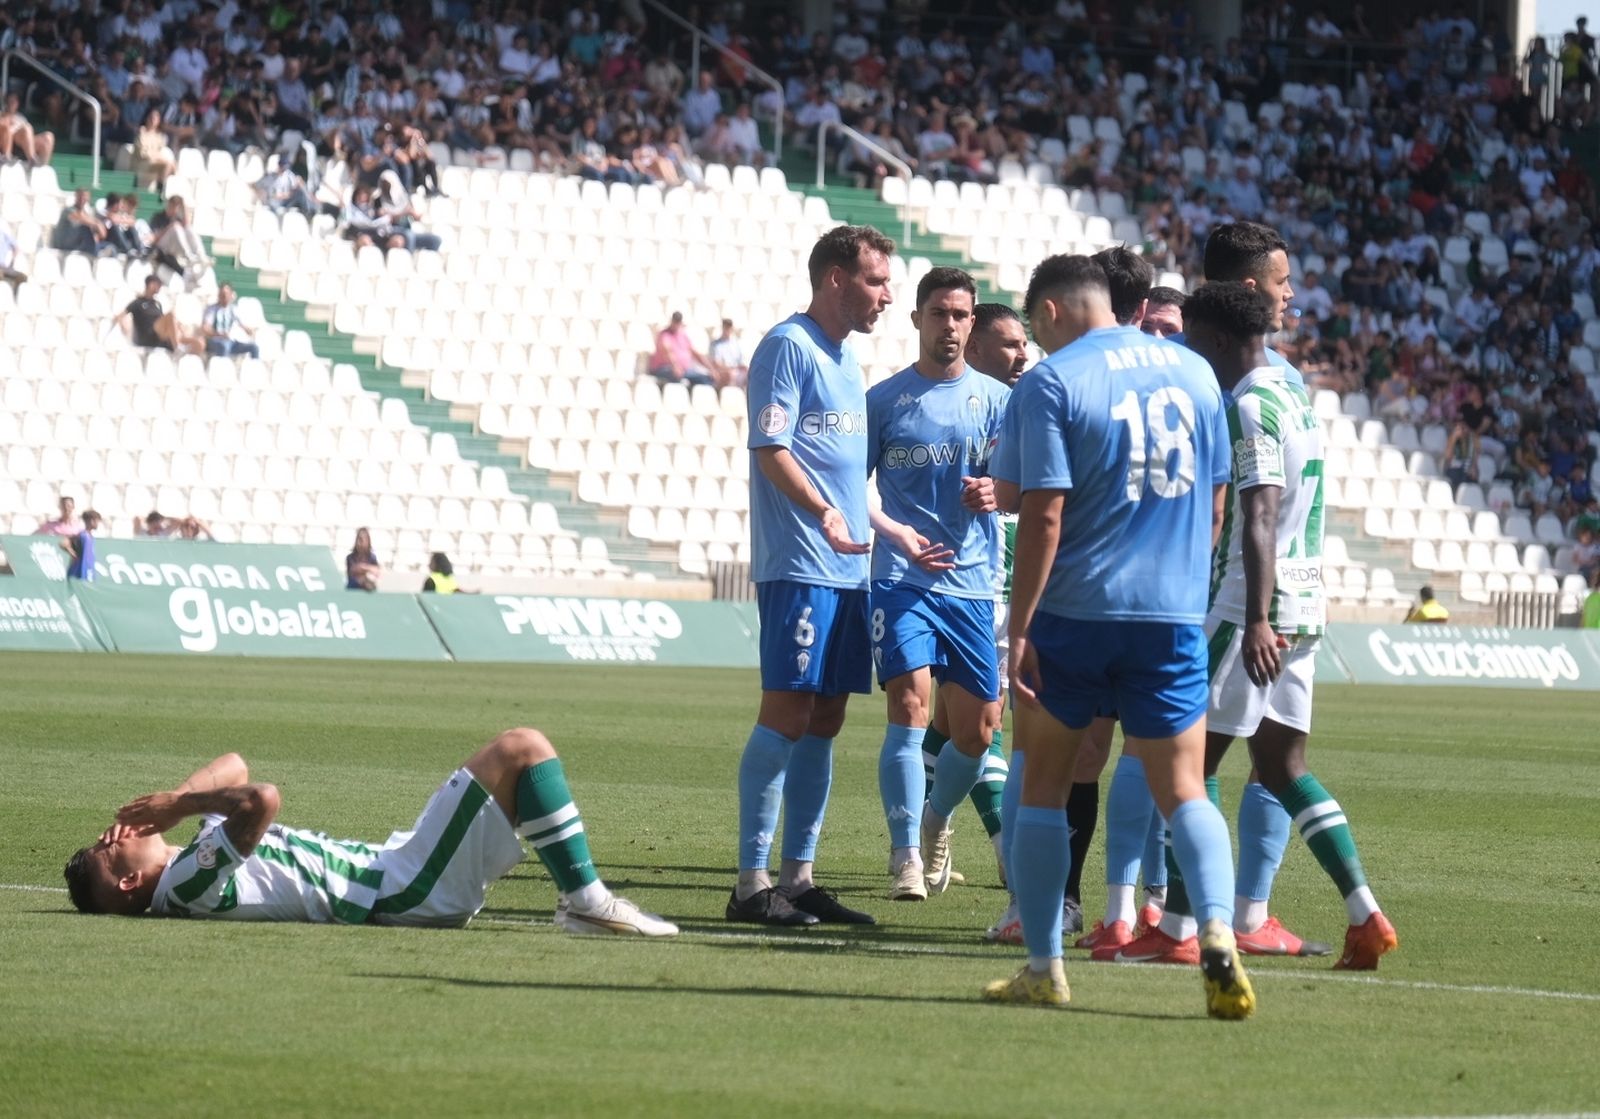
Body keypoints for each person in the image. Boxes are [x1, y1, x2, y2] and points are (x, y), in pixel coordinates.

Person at [981, 255, 1252, 1018]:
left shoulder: (1052, 380)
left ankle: (1044, 964)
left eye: (1036, 326)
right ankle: (1219, 936)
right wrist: (1180, 588)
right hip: (1168, 614)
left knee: (1043, 784)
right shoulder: (1197, 374)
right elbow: (1218, 502)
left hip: (1075, 611)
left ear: (1054, 312)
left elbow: (1041, 513)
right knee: (1185, 787)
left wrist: (1020, 626)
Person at [1165, 281, 1397, 971]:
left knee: (1188, 762)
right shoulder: (1295, 394)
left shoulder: (1247, 404)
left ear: (1210, 339)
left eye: (1189, 342)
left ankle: (1178, 928)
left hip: (1248, 609)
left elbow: (1260, 512)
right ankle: (1364, 911)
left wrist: (1256, 616)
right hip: (1305, 605)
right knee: (1281, 765)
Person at [63, 729, 678, 937]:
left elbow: (234, 764)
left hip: (395, 871)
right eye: (105, 848)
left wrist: (176, 803)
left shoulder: (189, 862)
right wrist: (183, 802)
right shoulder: (186, 887)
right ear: (129, 883)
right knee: (520, 749)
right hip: (400, 890)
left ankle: (583, 900)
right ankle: (588, 904)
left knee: (518, 768)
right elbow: (261, 799)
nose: (110, 834)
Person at [728, 225, 893, 928]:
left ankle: (798, 878)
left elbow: (846, 473)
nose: (887, 295)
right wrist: (824, 512)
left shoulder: (848, 361)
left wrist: (884, 527)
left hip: (847, 569)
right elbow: (771, 446)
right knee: (788, 712)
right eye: (875, 280)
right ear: (835, 278)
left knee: (827, 716)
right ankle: (748, 882)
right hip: (799, 563)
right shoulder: (787, 347)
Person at [865, 268, 1008, 902]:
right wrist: (894, 533)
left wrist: (999, 490)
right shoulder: (886, 399)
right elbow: (847, 489)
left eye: (960, 315)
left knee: (978, 733)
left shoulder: (1000, 402)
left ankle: (934, 819)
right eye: (938, 313)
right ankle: (904, 858)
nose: (949, 326)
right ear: (917, 318)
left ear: (971, 323)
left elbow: (1031, 488)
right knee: (910, 709)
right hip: (901, 579)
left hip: (974, 586)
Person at [115, 274, 197, 353]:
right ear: (150, 284)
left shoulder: (157, 304)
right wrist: (123, 326)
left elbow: (164, 321)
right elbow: (120, 315)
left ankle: (183, 347)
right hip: (146, 336)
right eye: (157, 284)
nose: (159, 287)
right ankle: (177, 348)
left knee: (196, 341)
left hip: (158, 336)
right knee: (171, 316)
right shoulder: (137, 303)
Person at [648, 312, 716, 388]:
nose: (676, 324)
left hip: (684, 370)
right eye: (675, 321)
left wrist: (711, 368)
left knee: (706, 379)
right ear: (671, 321)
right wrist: (675, 366)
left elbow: (695, 353)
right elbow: (667, 351)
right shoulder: (664, 335)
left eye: (678, 322)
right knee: (676, 376)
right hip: (664, 368)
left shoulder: (683, 335)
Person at [201, 284, 260, 359]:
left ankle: (254, 368)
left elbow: (241, 324)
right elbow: (205, 328)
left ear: (231, 295)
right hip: (215, 341)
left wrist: (248, 330)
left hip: (232, 342)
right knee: (224, 345)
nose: (224, 297)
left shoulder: (234, 309)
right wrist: (219, 334)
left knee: (253, 347)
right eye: (222, 294)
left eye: (226, 294)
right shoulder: (211, 310)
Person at [0, 92, 57, 166]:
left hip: (23, 147)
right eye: (10, 101)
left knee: (48, 137)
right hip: (8, 145)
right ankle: (32, 159)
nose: (12, 104)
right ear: (6, 102)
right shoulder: (2, 116)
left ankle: (43, 167)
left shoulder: (20, 118)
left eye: (14, 101)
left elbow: (29, 136)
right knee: (26, 128)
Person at [708, 319, 749, 388]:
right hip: (723, 372)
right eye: (726, 326)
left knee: (750, 374)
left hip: (735, 371)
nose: (728, 329)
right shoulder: (715, 345)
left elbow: (740, 362)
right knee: (729, 375)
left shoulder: (736, 344)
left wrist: (742, 367)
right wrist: (730, 369)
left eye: (729, 327)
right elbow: (716, 363)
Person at [63, 510, 101, 581]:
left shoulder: (90, 536)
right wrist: (71, 552)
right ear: (91, 521)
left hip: (87, 571)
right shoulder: (82, 535)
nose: (98, 523)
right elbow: (63, 543)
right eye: (97, 521)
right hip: (79, 571)